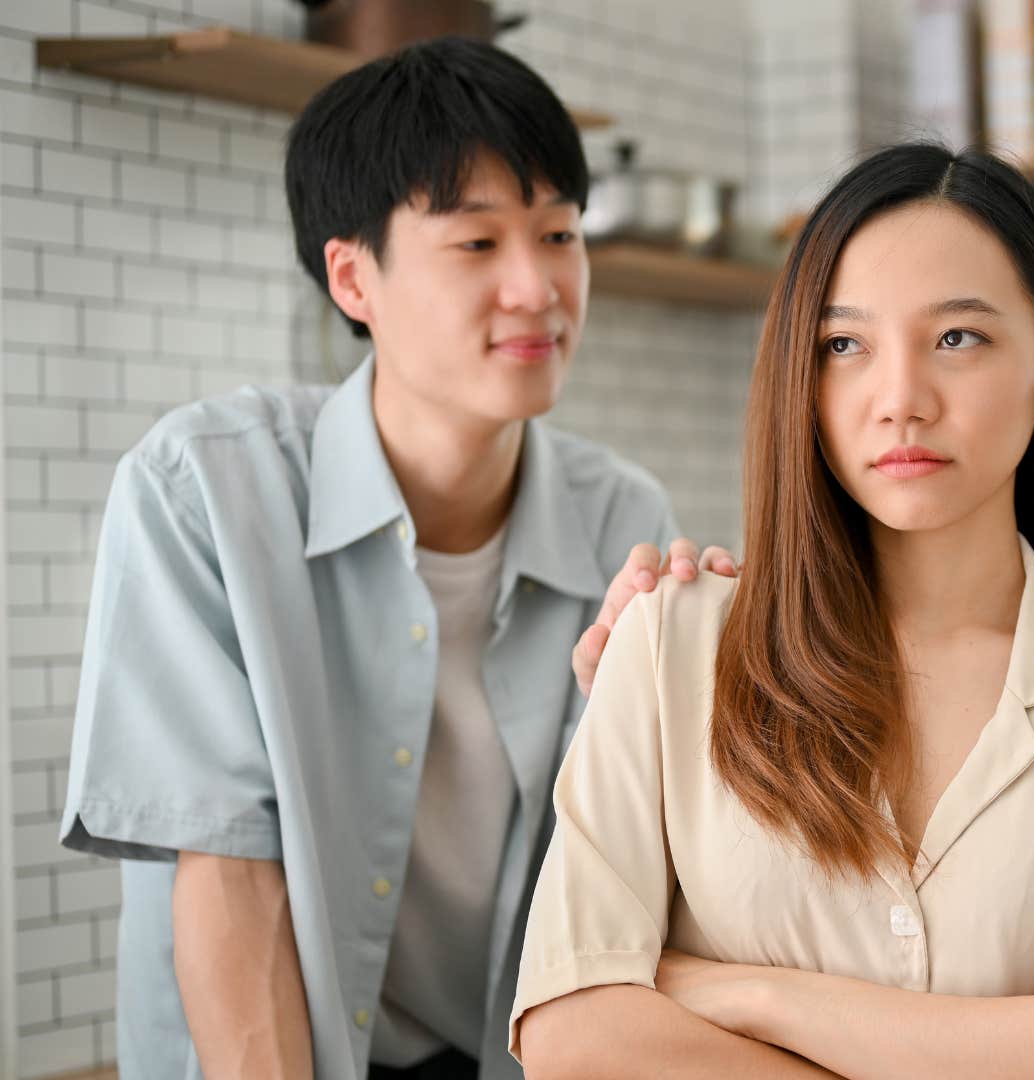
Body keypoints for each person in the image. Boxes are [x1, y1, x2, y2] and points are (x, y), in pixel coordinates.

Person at [59, 38, 735, 1080]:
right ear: (352, 275)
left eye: (559, 233)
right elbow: (228, 877)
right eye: (476, 244)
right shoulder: (202, 492)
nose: (537, 287)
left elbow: (636, 875)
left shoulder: (622, 518)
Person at [512, 143, 1034, 1079]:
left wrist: (745, 993)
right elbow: (574, 1039)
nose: (900, 401)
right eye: (844, 345)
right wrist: (1019, 1043)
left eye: (957, 338)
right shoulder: (668, 641)